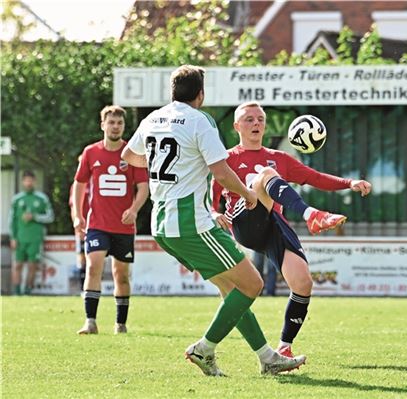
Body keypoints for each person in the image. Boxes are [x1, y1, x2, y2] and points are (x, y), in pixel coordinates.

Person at [121, 65, 306, 376]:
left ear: (172, 91)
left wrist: (170, 165)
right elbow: (222, 172)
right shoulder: (199, 121)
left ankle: (267, 357)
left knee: (232, 288)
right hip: (192, 223)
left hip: (162, 224)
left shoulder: (153, 118)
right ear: (201, 94)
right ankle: (204, 349)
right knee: (252, 284)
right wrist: (248, 193)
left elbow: (129, 155)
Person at [211, 101, 372, 357]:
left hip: (274, 225)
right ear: (236, 126)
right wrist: (214, 212)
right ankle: (312, 215)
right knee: (265, 175)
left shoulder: (279, 158)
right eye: (249, 119)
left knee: (303, 283)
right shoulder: (227, 159)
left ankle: (284, 348)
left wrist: (349, 183)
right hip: (245, 222)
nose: (256, 123)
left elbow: (314, 177)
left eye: (260, 119)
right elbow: (212, 195)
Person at [72, 105, 150, 335]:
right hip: (97, 223)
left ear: (124, 126)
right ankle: (90, 321)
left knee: (121, 275)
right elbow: (79, 184)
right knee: (94, 266)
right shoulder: (91, 152)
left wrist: (134, 209)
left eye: (120, 123)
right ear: (103, 125)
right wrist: (77, 216)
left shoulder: (133, 153)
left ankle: (121, 324)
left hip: (124, 227)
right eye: (111, 122)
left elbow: (143, 187)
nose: (116, 127)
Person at [9, 170, 54, 295]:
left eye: (31, 180)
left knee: (32, 266)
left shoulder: (41, 198)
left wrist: (34, 217)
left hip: (35, 238)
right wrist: (13, 237)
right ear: (23, 182)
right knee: (17, 265)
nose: (28, 183)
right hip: (19, 238)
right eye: (26, 180)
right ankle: (16, 292)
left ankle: (27, 291)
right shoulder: (17, 199)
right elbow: (11, 220)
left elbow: (50, 217)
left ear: (34, 181)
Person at [69, 161, 90, 291]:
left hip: (97, 225)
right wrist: (77, 223)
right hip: (82, 227)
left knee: (95, 258)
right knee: (82, 257)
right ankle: (83, 289)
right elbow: (73, 207)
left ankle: (93, 288)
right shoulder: (76, 185)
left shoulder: (97, 181)